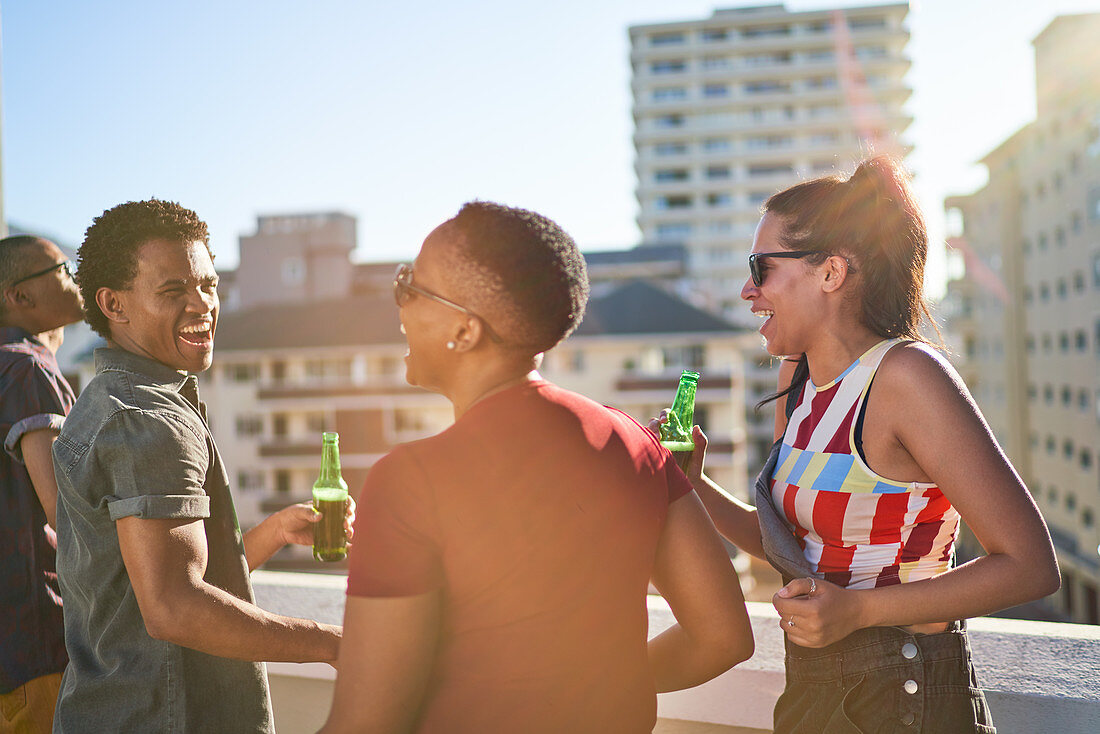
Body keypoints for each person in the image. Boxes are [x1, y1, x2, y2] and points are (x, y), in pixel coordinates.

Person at [654, 156, 1059, 733]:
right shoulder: (797, 380)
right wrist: (695, 483)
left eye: (761, 268)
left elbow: (1031, 567)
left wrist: (859, 611)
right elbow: (790, 548)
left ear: (831, 272)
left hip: (905, 691)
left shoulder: (906, 378)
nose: (747, 290)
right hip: (817, 689)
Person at [319, 202, 753, 734]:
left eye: (410, 286)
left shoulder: (412, 480)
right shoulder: (635, 443)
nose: (400, 306)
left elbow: (363, 725)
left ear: (465, 330)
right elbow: (724, 636)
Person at [51, 200, 349, 733]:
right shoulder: (148, 421)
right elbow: (174, 607)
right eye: (173, 291)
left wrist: (275, 531)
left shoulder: (105, 402)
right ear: (113, 304)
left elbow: (152, 580)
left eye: (208, 285)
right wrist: (330, 643)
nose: (202, 304)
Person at [0, 235, 84, 734]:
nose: (74, 280)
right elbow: (67, 516)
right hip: (37, 646)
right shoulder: (28, 369)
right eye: (62, 270)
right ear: (20, 296)